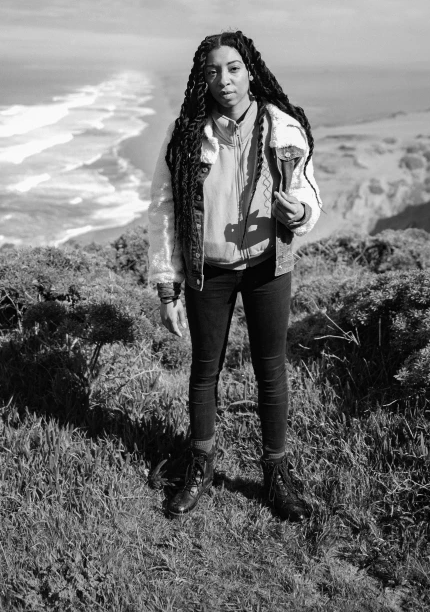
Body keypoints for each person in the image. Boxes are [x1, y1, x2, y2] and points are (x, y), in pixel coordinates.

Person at [148, 30, 321, 520]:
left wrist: (298, 212)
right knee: (205, 369)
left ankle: (275, 474)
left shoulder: (282, 126)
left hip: (268, 266)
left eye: (233, 68)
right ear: (202, 80)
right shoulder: (186, 133)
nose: (223, 79)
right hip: (211, 270)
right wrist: (167, 284)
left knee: (271, 368)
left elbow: (309, 192)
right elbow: (164, 209)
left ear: (251, 72)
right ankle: (199, 465)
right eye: (212, 71)